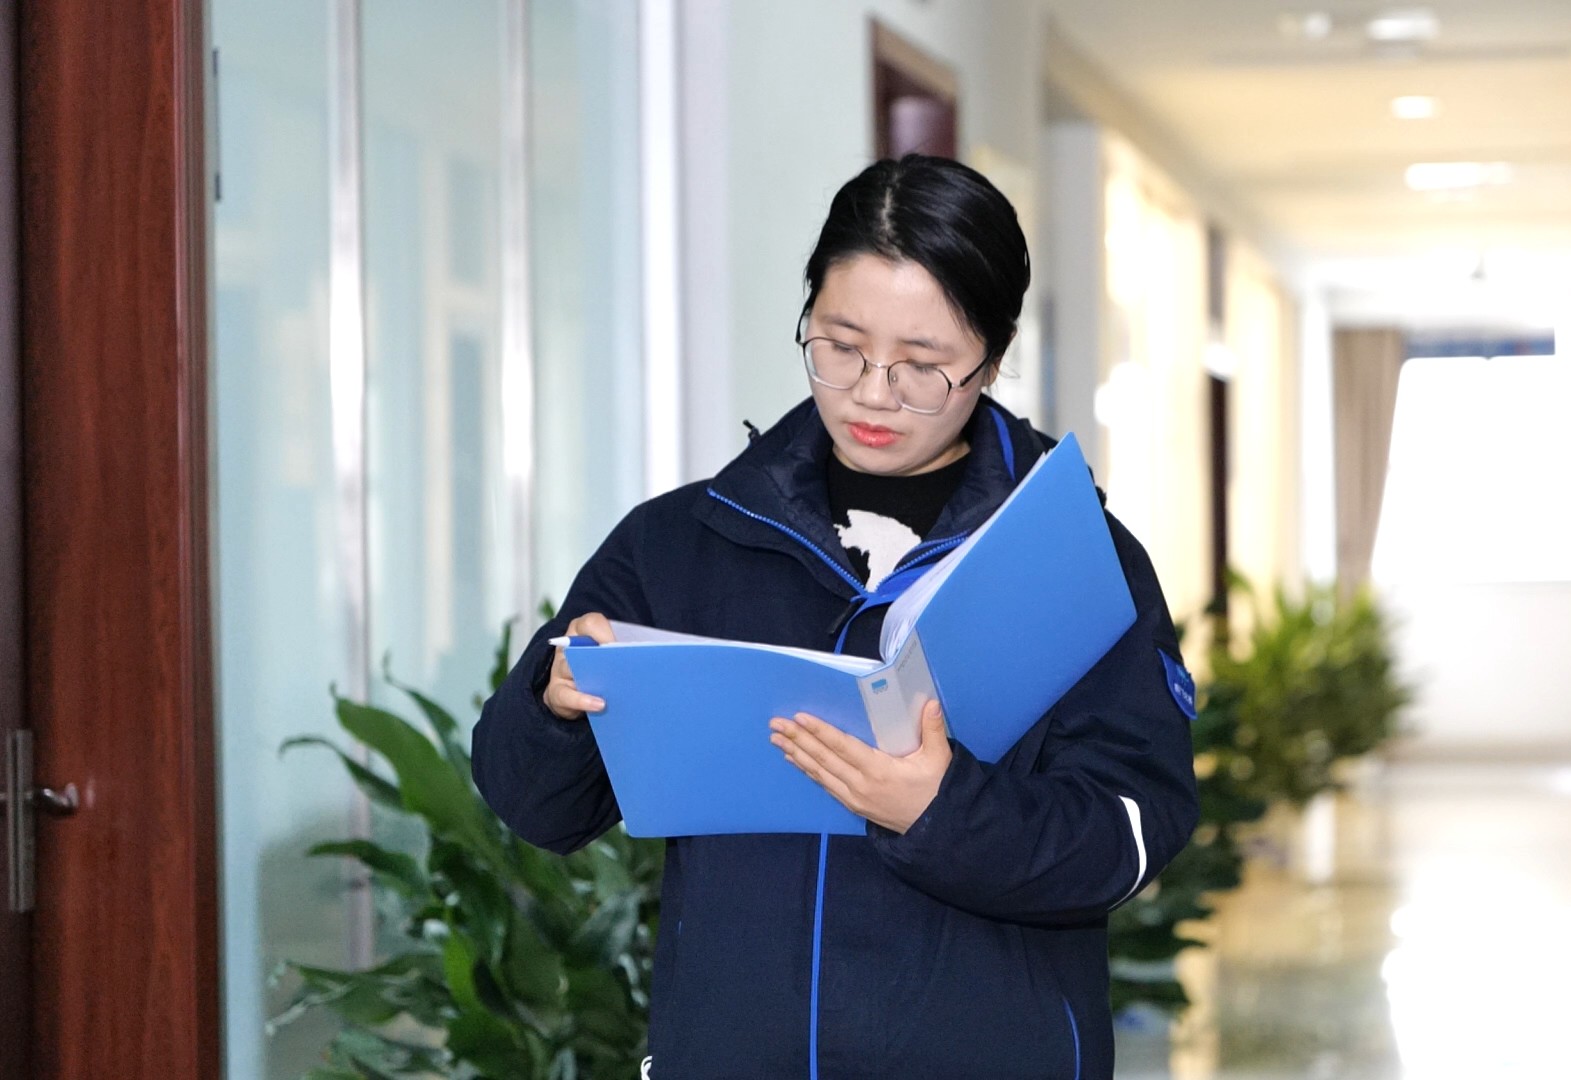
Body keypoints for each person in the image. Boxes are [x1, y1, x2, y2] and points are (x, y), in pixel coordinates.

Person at [473, 154, 1199, 1080]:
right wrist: (556, 708)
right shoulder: (681, 543)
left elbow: (1132, 832)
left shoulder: (1072, 557)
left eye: (924, 365)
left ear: (993, 357)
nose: (873, 392)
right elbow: (536, 807)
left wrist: (944, 813)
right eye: (841, 345)